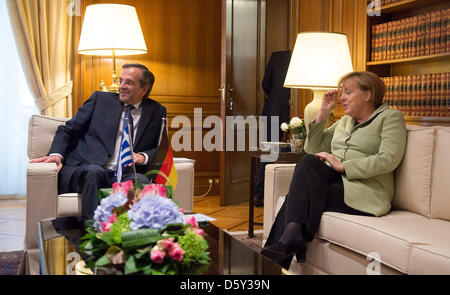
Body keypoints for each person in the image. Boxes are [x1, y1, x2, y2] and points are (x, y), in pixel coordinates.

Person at [261, 71, 407, 269]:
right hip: (336, 181)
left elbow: (388, 159)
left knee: (296, 200)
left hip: (366, 190)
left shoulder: (391, 118)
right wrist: (323, 112)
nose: (342, 98)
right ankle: (291, 238)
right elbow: (311, 149)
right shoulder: (345, 121)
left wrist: (343, 166)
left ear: (368, 94)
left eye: (348, 92)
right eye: (341, 93)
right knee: (308, 162)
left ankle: (271, 262)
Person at [29, 63, 166, 220]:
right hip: (87, 168)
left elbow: (160, 148)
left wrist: (143, 156)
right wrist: (56, 154)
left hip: (123, 174)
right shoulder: (100, 100)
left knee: (140, 180)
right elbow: (67, 130)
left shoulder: (156, 111)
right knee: (95, 172)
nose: (122, 86)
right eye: (121, 81)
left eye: (129, 82)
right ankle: (93, 231)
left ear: (144, 89)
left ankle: (130, 234)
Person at [255, 50, 291, 207]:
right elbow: (266, 84)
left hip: (275, 109)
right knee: (271, 151)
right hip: (281, 109)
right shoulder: (280, 56)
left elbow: (265, 84)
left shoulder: (278, 56)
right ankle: (263, 193)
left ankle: (260, 194)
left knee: (269, 152)